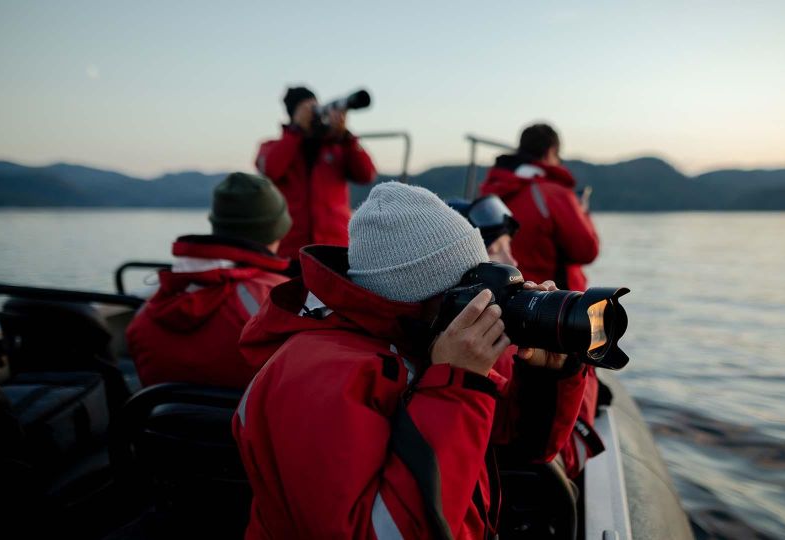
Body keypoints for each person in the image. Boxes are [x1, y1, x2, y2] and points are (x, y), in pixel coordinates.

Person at [234, 182, 590, 539]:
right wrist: (455, 386)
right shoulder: (314, 377)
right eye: (472, 289)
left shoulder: (413, 345)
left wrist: (546, 376)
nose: (485, 301)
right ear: (421, 298)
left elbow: (519, 446)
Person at [450, 194, 604, 479]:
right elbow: (560, 455)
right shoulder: (491, 354)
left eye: (509, 245)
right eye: (495, 250)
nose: (513, 260)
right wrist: (576, 364)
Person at [126, 173, 292, 389]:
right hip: (244, 421)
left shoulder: (150, 309)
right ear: (277, 230)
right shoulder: (280, 299)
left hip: (161, 419)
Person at [255, 86, 377, 259]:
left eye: (315, 107)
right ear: (293, 114)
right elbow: (271, 169)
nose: (313, 114)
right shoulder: (272, 147)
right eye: (306, 109)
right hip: (290, 252)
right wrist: (295, 131)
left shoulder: (338, 147)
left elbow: (366, 175)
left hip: (335, 250)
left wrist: (346, 138)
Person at [480, 123, 599, 292]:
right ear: (551, 151)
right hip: (551, 299)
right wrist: (582, 212)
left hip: (506, 298)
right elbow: (587, 251)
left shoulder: (493, 192)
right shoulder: (554, 194)